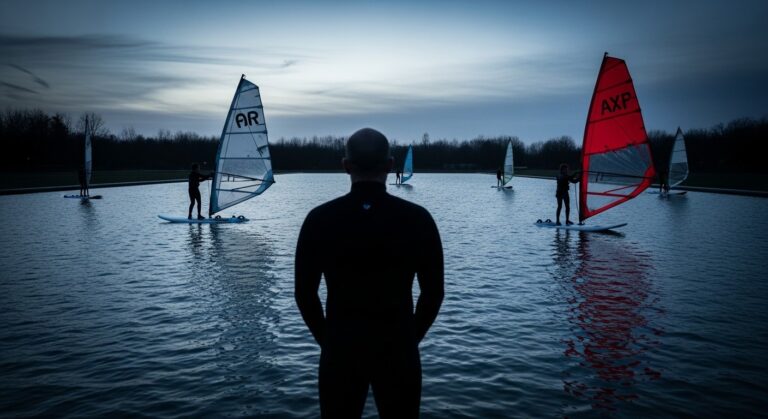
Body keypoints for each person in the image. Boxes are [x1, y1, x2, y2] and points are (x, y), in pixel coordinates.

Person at [295, 128, 444, 418]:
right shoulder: (418, 220)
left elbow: (304, 294)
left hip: (340, 350)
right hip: (399, 350)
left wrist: (329, 341)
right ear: (390, 165)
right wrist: (409, 339)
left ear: (345, 166)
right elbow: (433, 293)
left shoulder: (319, 219)